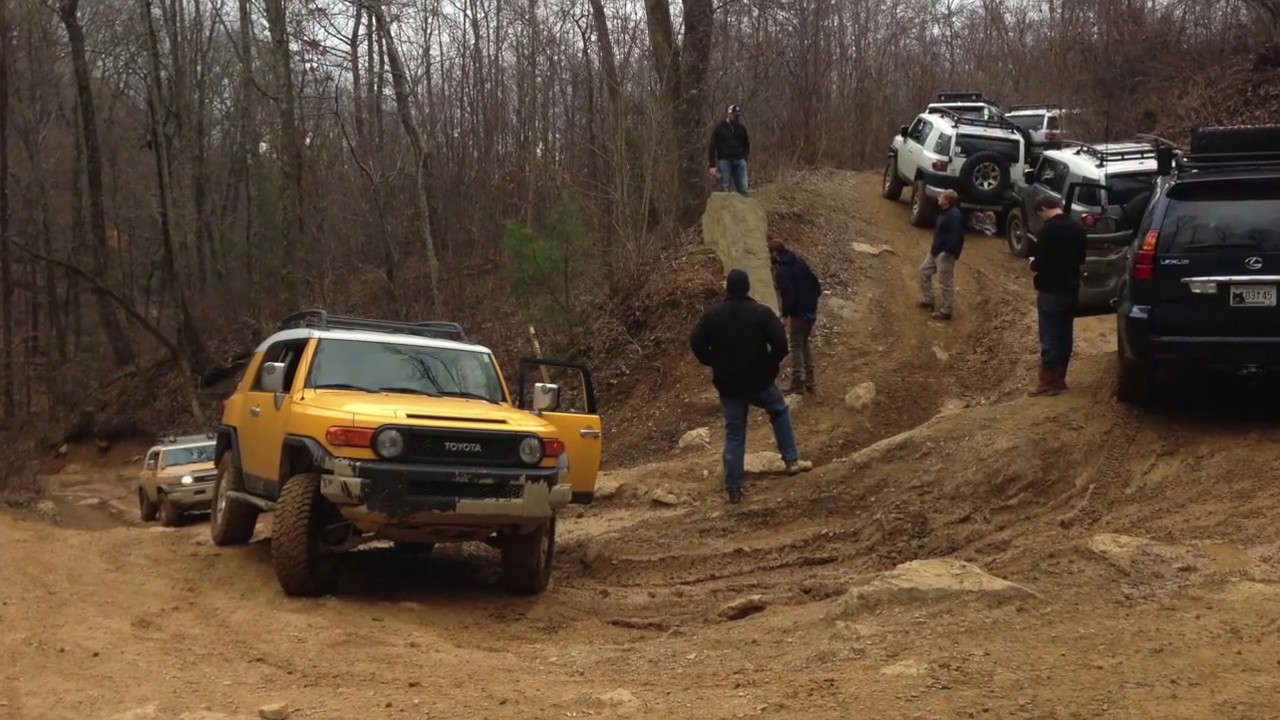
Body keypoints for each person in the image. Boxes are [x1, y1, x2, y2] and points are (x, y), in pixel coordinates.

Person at [690, 269, 814, 504]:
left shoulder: (713, 315)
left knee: (735, 433)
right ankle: (792, 461)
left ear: (728, 288)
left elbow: (696, 343)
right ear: (747, 288)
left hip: (728, 385)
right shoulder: (760, 312)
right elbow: (780, 344)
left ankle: (734, 488)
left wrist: (712, 361)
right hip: (759, 380)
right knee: (779, 410)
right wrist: (770, 365)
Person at [1027, 195, 1087, 396]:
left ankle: (1047, 380)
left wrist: (1033, 264)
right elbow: (1081, 258)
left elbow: (1041, 261)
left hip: (1051, 288)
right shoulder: (1078, 229)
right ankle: (1061, 378)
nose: (1041, 218)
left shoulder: (1048, 230)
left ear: (1044, 208)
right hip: (1071, 288)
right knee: (1065, 333)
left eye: (1040, 214)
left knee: (1049, 335)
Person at [768, 239, 823, 394]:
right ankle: (810, 378)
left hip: (799, 313)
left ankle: (797, 381)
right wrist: (811, 303)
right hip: (811, 310)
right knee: (804, 341)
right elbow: (815, 283)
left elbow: (788, 296)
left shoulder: (782, 271)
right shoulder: (799, 261)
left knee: (796, 344)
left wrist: (786, 313)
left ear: (775, 254)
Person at [919, 189, 964, 320]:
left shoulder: (954, 216)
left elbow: (956, 237)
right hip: (936, 251)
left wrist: (947, 252)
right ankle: (929, 300)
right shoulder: (945, 212)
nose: (939, 197)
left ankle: (946, 310)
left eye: (942, 196)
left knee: (945, 282)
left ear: (947, 201)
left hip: (945, 254)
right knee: (924, 272)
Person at [708, 104, 750, 196]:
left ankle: (744, 208)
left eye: (738, 116)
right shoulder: (719, 128)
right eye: (735, 116)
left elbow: (746, 145)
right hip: (724, 161)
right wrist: (712, 165)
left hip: (739, 160)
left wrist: (744, 158)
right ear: (729, 115)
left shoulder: (742, 129)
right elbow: (712, 146)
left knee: (742, 188)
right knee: (725, 188)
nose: (737, 118)